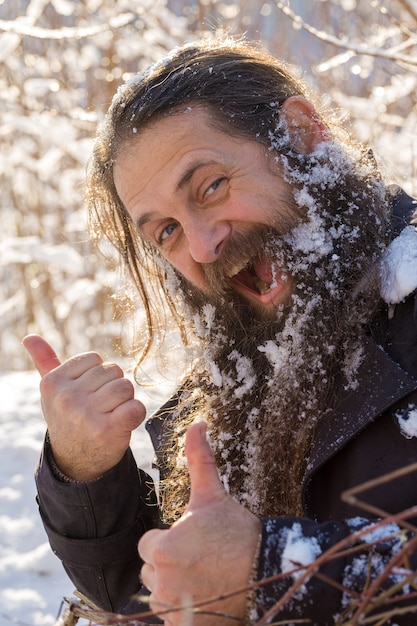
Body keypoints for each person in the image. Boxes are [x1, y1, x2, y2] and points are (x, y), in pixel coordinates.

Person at [23, 35, 417, 626]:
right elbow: (162, 597)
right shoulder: (234, 380)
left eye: (210, 186)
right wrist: (87, 475)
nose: (203, 244)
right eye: (167, 233)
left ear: (302, 135)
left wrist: (279, 573)